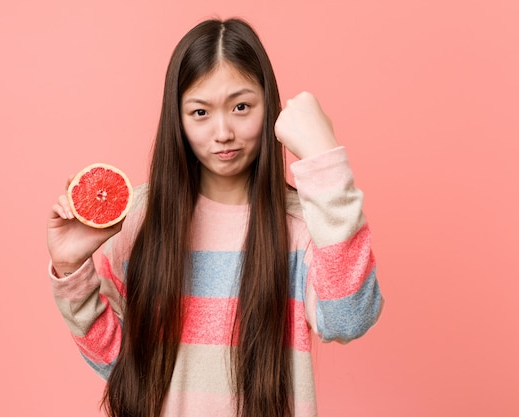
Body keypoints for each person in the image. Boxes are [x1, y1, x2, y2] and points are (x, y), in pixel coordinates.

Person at [47, 18, 383, 417]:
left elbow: (349, 320)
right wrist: (70, 270)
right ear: (178, 118)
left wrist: (326, 166)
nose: (223, 132)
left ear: (268, 106)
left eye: (241, 107)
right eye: (201, 112)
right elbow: (123, 366)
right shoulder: (139, 219)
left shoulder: (305, 226)